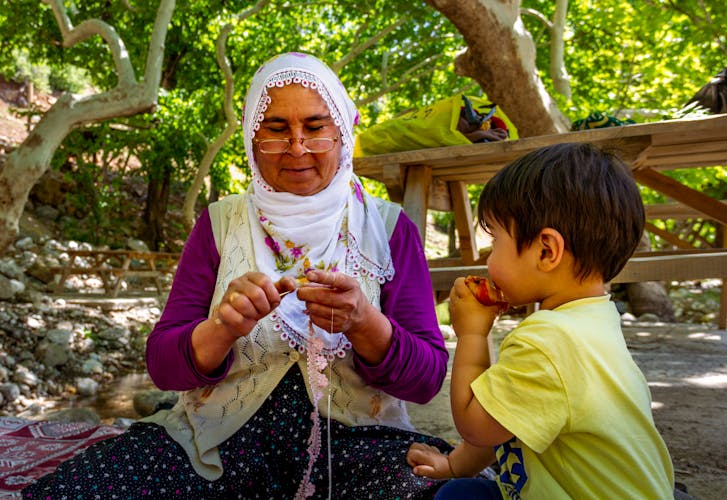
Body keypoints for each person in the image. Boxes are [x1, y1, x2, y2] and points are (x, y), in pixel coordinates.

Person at [23, 52, 451, 498]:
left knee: (442, 491)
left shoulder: (387, 228)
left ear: (342, 132)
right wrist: (223, 327)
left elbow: (426, 380)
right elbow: (164, 367)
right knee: (77, 491)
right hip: (217, 443)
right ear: (251, 136)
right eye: (277, 130)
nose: (297, 147)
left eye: (316, 127)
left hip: (358, 448)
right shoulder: (220, 223)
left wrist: (365, 322)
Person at [406, 143, 676, 499]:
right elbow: (508, 416)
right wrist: (454, 466)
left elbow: (477, 425)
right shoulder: (595, 319)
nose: (488, 259)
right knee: (462, 491)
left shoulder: (546, 340)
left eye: (496, 241)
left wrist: (472, 333)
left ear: (546, 251)